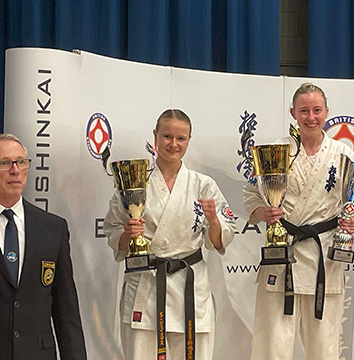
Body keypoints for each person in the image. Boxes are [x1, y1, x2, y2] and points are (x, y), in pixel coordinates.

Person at [243, 82, 354, 360]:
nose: (311, 117)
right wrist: (262, 213)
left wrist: (353, 219)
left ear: (326, 112)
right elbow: (251, 193)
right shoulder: (276, 150)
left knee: (324, 345)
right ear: (293, 113)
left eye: (316, 110)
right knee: (272, 343)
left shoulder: (342, 153)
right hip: (282, 252)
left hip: (324, 255)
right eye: (304, 111)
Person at [104, 109, 236, 360]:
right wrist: (127, 236)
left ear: (188, 140)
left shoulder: (203, 184)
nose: (173, 144)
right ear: (155, 136)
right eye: (167, 136)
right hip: (147, 284)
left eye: (181, 138)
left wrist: (213, 221)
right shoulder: (134, 182)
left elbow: (218, 241)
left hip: (190, 288)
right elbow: (113, 231)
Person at [0, 134, 87, 360]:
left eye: (21, 162)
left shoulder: (53, 228)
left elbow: (65, 309)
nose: (15, 170)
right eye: (4, 163)